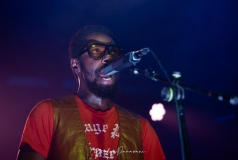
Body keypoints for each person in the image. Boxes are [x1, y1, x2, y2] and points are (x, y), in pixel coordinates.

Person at [17, 25, 166, 160]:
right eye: (96, 50)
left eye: (113, 52)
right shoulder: (49, 113)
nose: (108, 57)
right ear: (76, 65)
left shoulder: (141, 127)